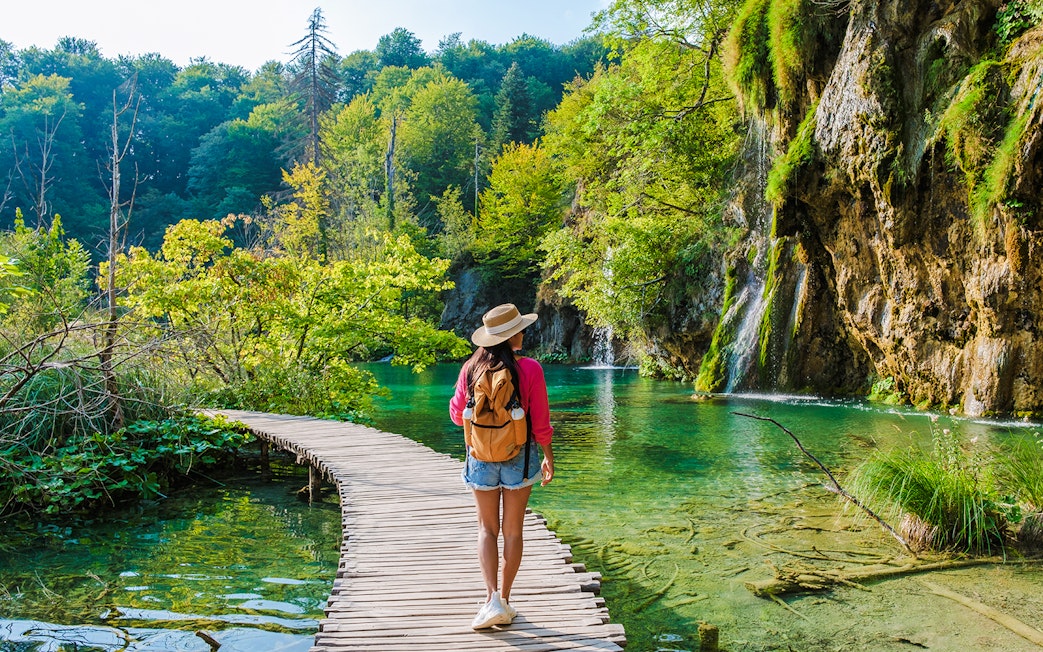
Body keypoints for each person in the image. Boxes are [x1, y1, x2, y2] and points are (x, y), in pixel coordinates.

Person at [449, 303, 555, 629]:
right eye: (520, 328)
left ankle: (490, 598)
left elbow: (456, 415)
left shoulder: (471, 368)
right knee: (512, 530)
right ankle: (505, 601)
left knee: (486, 530)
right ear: (512, 336)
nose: (523, 332)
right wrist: (549, 455)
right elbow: (540, 421)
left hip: (479, 457)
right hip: (519, 458)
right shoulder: (531, 369)